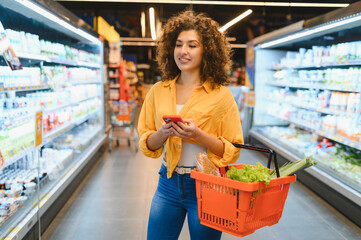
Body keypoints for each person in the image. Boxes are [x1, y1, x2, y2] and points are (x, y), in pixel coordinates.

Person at [137, 10, 244, 240]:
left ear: (207, 50)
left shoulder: (221, 96)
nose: (183, 51)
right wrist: (163, 133)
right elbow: (147, 142)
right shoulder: (158, 91)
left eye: (192, 45)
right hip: (168, 183)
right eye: (178, 44)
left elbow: (232, 149)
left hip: (207, 186)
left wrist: (197, 135)